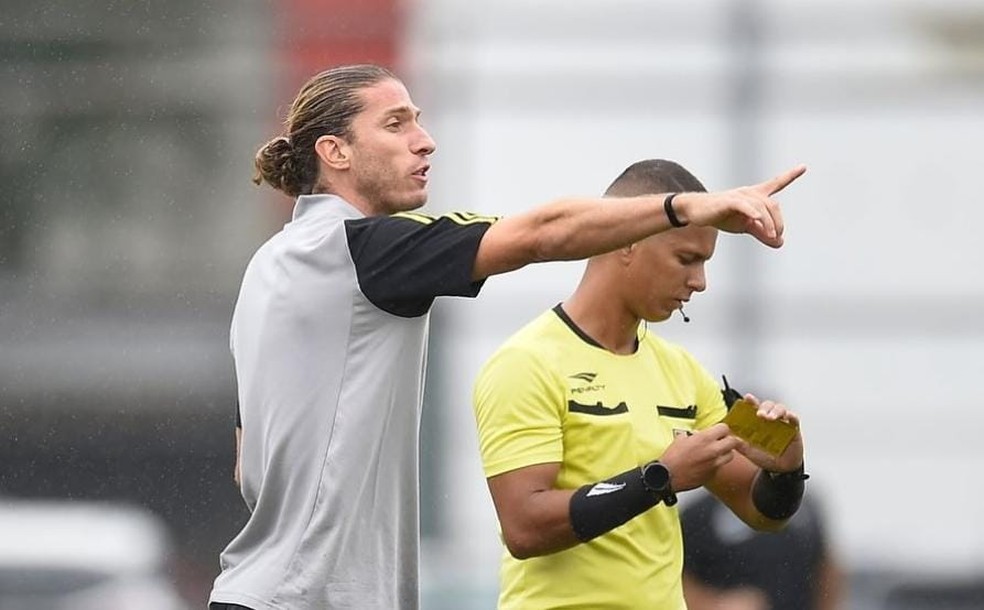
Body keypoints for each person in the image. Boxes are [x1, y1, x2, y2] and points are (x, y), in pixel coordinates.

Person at [209, 62, 806, 610]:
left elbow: (247, 467)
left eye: (419, 120)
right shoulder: (362, 252)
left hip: (260, 589)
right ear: (334, 151)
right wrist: (690, 206)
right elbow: (543, 233)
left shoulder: (267, 271)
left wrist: (785, 465)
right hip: (309, 598)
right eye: (396, 124)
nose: (425, 139)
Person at [471, 158, 811, 610]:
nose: (700, 282)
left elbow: (760, 512)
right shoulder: (526, 362)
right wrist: (660, 477)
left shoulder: (683, 372)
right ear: (627, 241)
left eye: (704, 262)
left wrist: (784, 471)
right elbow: (525, 527)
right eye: (686, 259)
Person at [681, 485, 844, 610]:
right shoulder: (699, 514)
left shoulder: (801, 504)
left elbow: (826, 567)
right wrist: (716, 604)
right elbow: (677, 577)